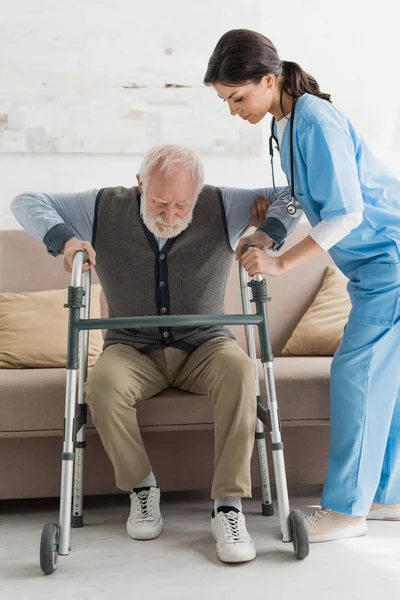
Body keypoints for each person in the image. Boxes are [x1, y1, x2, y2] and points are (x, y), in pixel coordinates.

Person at [11, 144, 300, 563]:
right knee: (103, 385)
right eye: (159, 201)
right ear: (139, 183)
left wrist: (264, 231)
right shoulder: (100, 205)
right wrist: (66, 241)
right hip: (131, 346)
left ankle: (227, 506)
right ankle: (142, 489)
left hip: (206, 344)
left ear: (197, 193)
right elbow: (25, 201)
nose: (169, 215)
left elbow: (296, 197)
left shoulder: (221, 203)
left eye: (182, 204)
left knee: (241, 371)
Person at [204, 29, 400, 543]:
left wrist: (283, 265)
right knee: (384, 384)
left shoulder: (315, 119)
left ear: (268, 80)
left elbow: (348, 213)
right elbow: (296, 197)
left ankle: (346, 511)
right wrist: (266, 236)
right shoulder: (285, 124)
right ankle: (386, 498)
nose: (232, 110)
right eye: (225, 101)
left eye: (237, 97)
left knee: (357, 376)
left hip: (391, 263)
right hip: (373, 270)